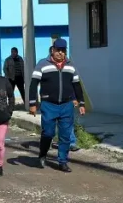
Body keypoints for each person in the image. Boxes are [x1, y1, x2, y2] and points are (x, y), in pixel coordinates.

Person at [29, 39, 85, 173]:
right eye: (58, 50)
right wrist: (32, 103)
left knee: (65, 135)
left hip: (66, 105)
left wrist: (81, 102)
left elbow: (77, 85)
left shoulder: (71, 66)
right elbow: (33, 84)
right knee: (48, 133)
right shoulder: (42, 64)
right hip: (49, 104)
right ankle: (42, 154)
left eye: (63, 50)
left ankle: (63, 161)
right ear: (52, 50)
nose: (60, 53)